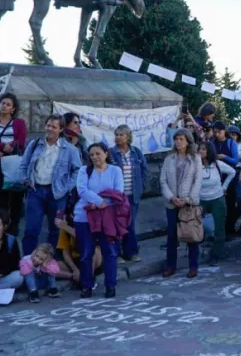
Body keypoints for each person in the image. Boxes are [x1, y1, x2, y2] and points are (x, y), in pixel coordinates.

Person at [18, 115, 82, 255]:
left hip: (58, 194)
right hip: (36, 191)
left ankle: (50, 262)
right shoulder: (34, 144)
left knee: (56, 230)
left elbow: (78, 170)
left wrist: (66, 188)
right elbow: (23, 164)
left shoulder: (70, 150)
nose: (50, 129)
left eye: (54, 126)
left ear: (61, 129)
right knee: (31, 229)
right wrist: (25, 179)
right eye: (48, 125)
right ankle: (28, 261)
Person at [74, 143, 123, 297]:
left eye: (98, 153)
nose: (95, 157)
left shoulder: (115, 171)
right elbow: (82, 190)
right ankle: (87, 285)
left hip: (107, 216)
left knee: (109, 251)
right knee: (86, 253)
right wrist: (97, 201)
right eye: (92, 155)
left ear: (106, 154)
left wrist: (102, 205)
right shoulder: (84, 171)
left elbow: (117, 193)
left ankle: (110, 285)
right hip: (84, 216)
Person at [160, 129, 203, 278]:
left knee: (191, 234)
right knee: (172, 235)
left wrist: (189, 199)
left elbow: (198, 180)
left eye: (181, 139)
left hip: (188, 203)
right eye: (176, 139)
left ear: (188, 141)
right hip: (172, 203)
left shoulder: (195, 158)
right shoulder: (169, 159)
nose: (178, 142)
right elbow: (163, 180)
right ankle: (170, 266)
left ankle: (193, 266)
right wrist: (171, 197)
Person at [0, 92, 27, 231]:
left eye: (8, 104)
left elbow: (20, 141)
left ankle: (13, 227)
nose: (4, 106)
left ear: (13, 109)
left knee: (16, 196)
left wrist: (7, 148)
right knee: (0, 197)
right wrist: (2, 147)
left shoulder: (19, 123)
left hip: (14, 164)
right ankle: (1, 227)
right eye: (3, 103)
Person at [108, 124, 148, 262]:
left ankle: (131, 252)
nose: (118, 137)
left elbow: (144, 170)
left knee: (129, 224)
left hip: (133, 195)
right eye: (116, 134)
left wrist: (141, 186)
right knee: (117, 224)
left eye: (121, 135)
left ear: (128, 137)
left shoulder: (136, 152)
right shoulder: (110, 153)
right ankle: (117, 254)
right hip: (117, 196)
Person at [198, 141, 235, 264]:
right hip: (201, 200)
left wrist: (224, 187)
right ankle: (199, 251)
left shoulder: (218, 164)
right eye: (200, 149)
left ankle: (216, 254)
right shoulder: (195, 165)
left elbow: (232, 172)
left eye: (204, 149)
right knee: (198, 226)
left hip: (217, 199)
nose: (201, 151)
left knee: (219, 229)